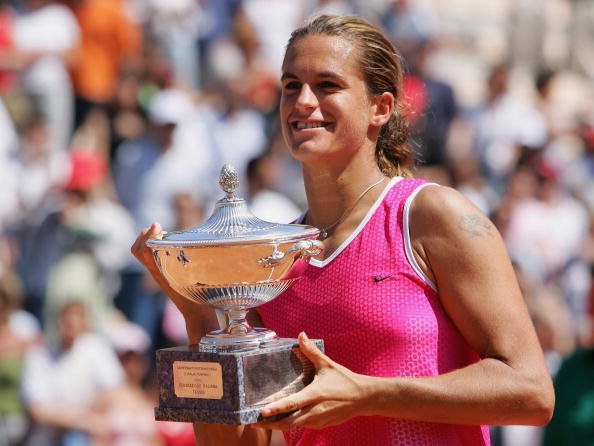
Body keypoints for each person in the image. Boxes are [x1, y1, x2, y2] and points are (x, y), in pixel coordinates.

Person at [131, 14, 554, 446]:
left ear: (381, 108)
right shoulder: (272, 258)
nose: (303, 102)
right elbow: (244, 442)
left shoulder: (431, 216)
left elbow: (530, 392)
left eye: (327, 85)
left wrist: (367, 394)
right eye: (291, 85)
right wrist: (198, 312)